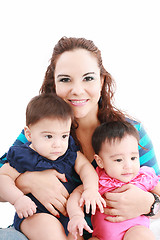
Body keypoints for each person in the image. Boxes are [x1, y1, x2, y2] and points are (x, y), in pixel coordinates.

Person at [0, 36, 160, 240]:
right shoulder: (41, 131)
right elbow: (3, 177)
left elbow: (155, 187)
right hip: (45, 226)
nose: (77, 90)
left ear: (101, 81)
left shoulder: (129, 133)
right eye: (65, 79)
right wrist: (28, 181)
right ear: (54, 84)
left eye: (88, 78)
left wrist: (150, 204)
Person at [0, 93, 105, 240]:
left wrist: (91, 189)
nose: (58, 144)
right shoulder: (23, 155)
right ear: (29, 134)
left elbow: (86, 169)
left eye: (64, 136)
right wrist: (18, 199)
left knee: (76, 236)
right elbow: (3, 178)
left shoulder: (69, 152)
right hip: (35, 214)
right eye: (49, 136)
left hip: (69, 215)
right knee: (52, 232)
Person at [67, 121, 160, 240]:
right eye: (118, 160)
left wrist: (149, 203)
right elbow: (76, 196)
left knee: (141, 235)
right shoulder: (97, 181)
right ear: (100, 161)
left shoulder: (143, 177)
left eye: (133, 158)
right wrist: (76, 216)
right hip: (100, 236)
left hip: (134, 229)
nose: (128, 166)